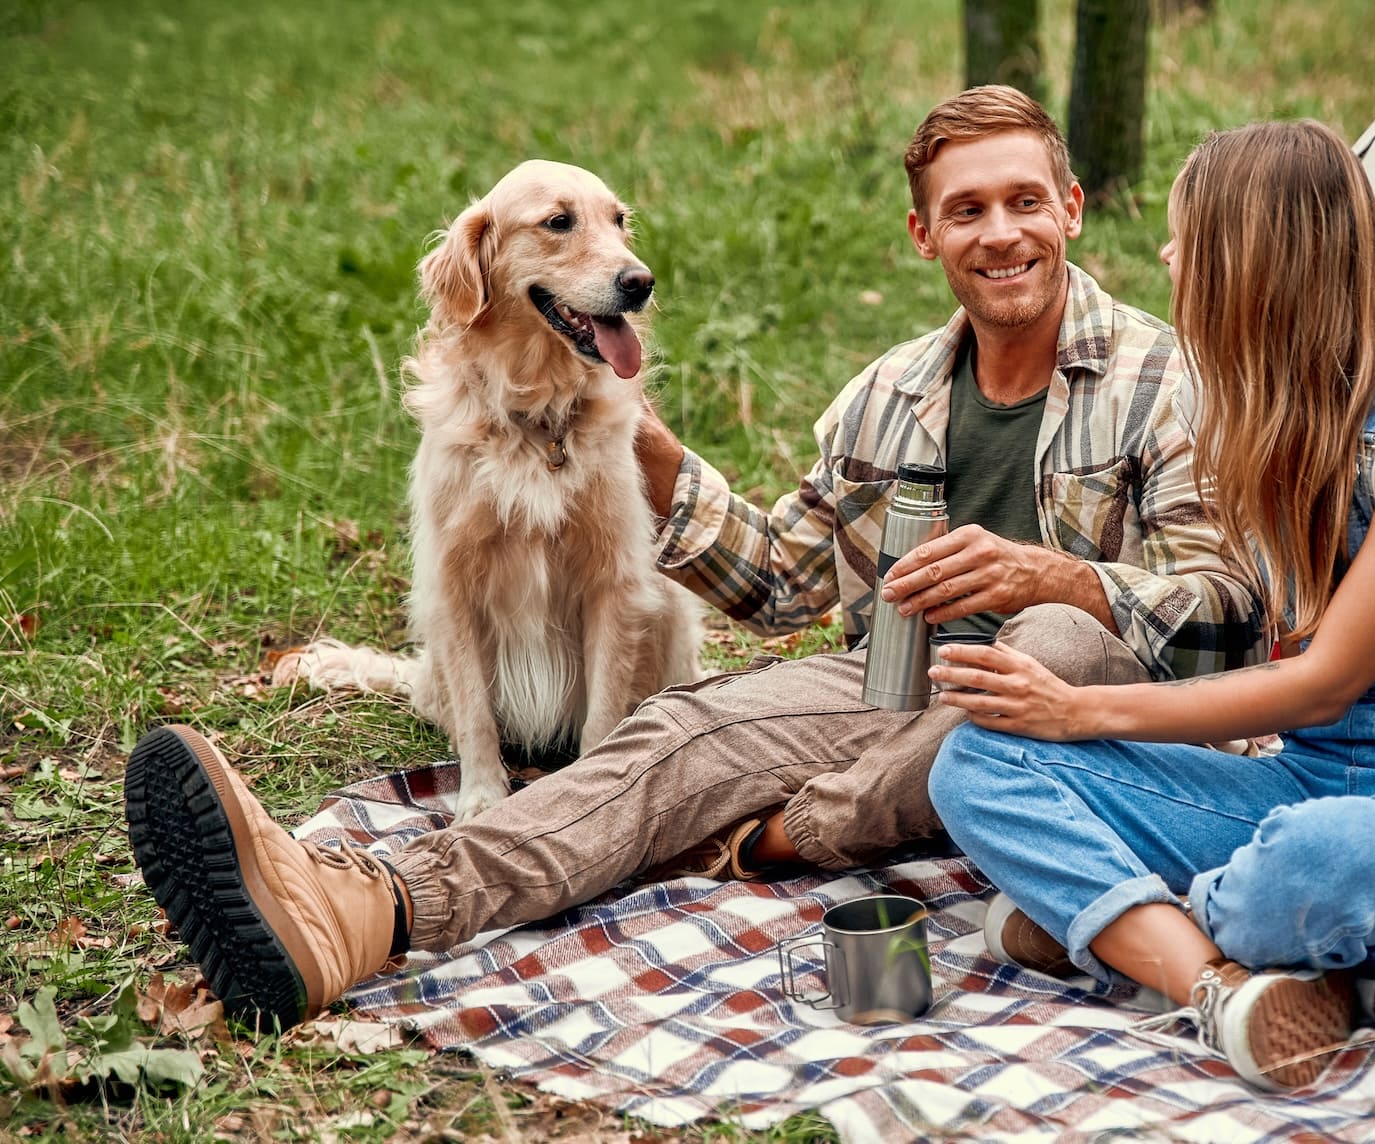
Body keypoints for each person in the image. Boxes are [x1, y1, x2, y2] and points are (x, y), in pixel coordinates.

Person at [122, 86, 1266, 1031]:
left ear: (1069, 208)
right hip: (890, 686)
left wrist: (1051, 576)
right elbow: (779, 584)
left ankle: (788, 831)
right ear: (925, 237)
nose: (1000, 232)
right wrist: (656, 452)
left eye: (1024, 201)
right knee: (674, 730)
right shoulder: (891, 394)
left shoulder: (1165, 383)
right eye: (965, 210)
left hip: (1091, 710)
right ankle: (364, 910)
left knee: (1048, 641)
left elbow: (1229, 612)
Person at [925, 119, 1375, 1092]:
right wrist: (1055, 714)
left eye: (1183, 237)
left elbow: (1322, 683)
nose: (1164, 256)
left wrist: (1081, 711)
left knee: (1311, 864)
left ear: (1246, 259)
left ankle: (1113, 924)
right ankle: (1217, 988)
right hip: (1304, 772)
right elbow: (1284, 688)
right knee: (977, 763)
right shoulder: (1249, 408)